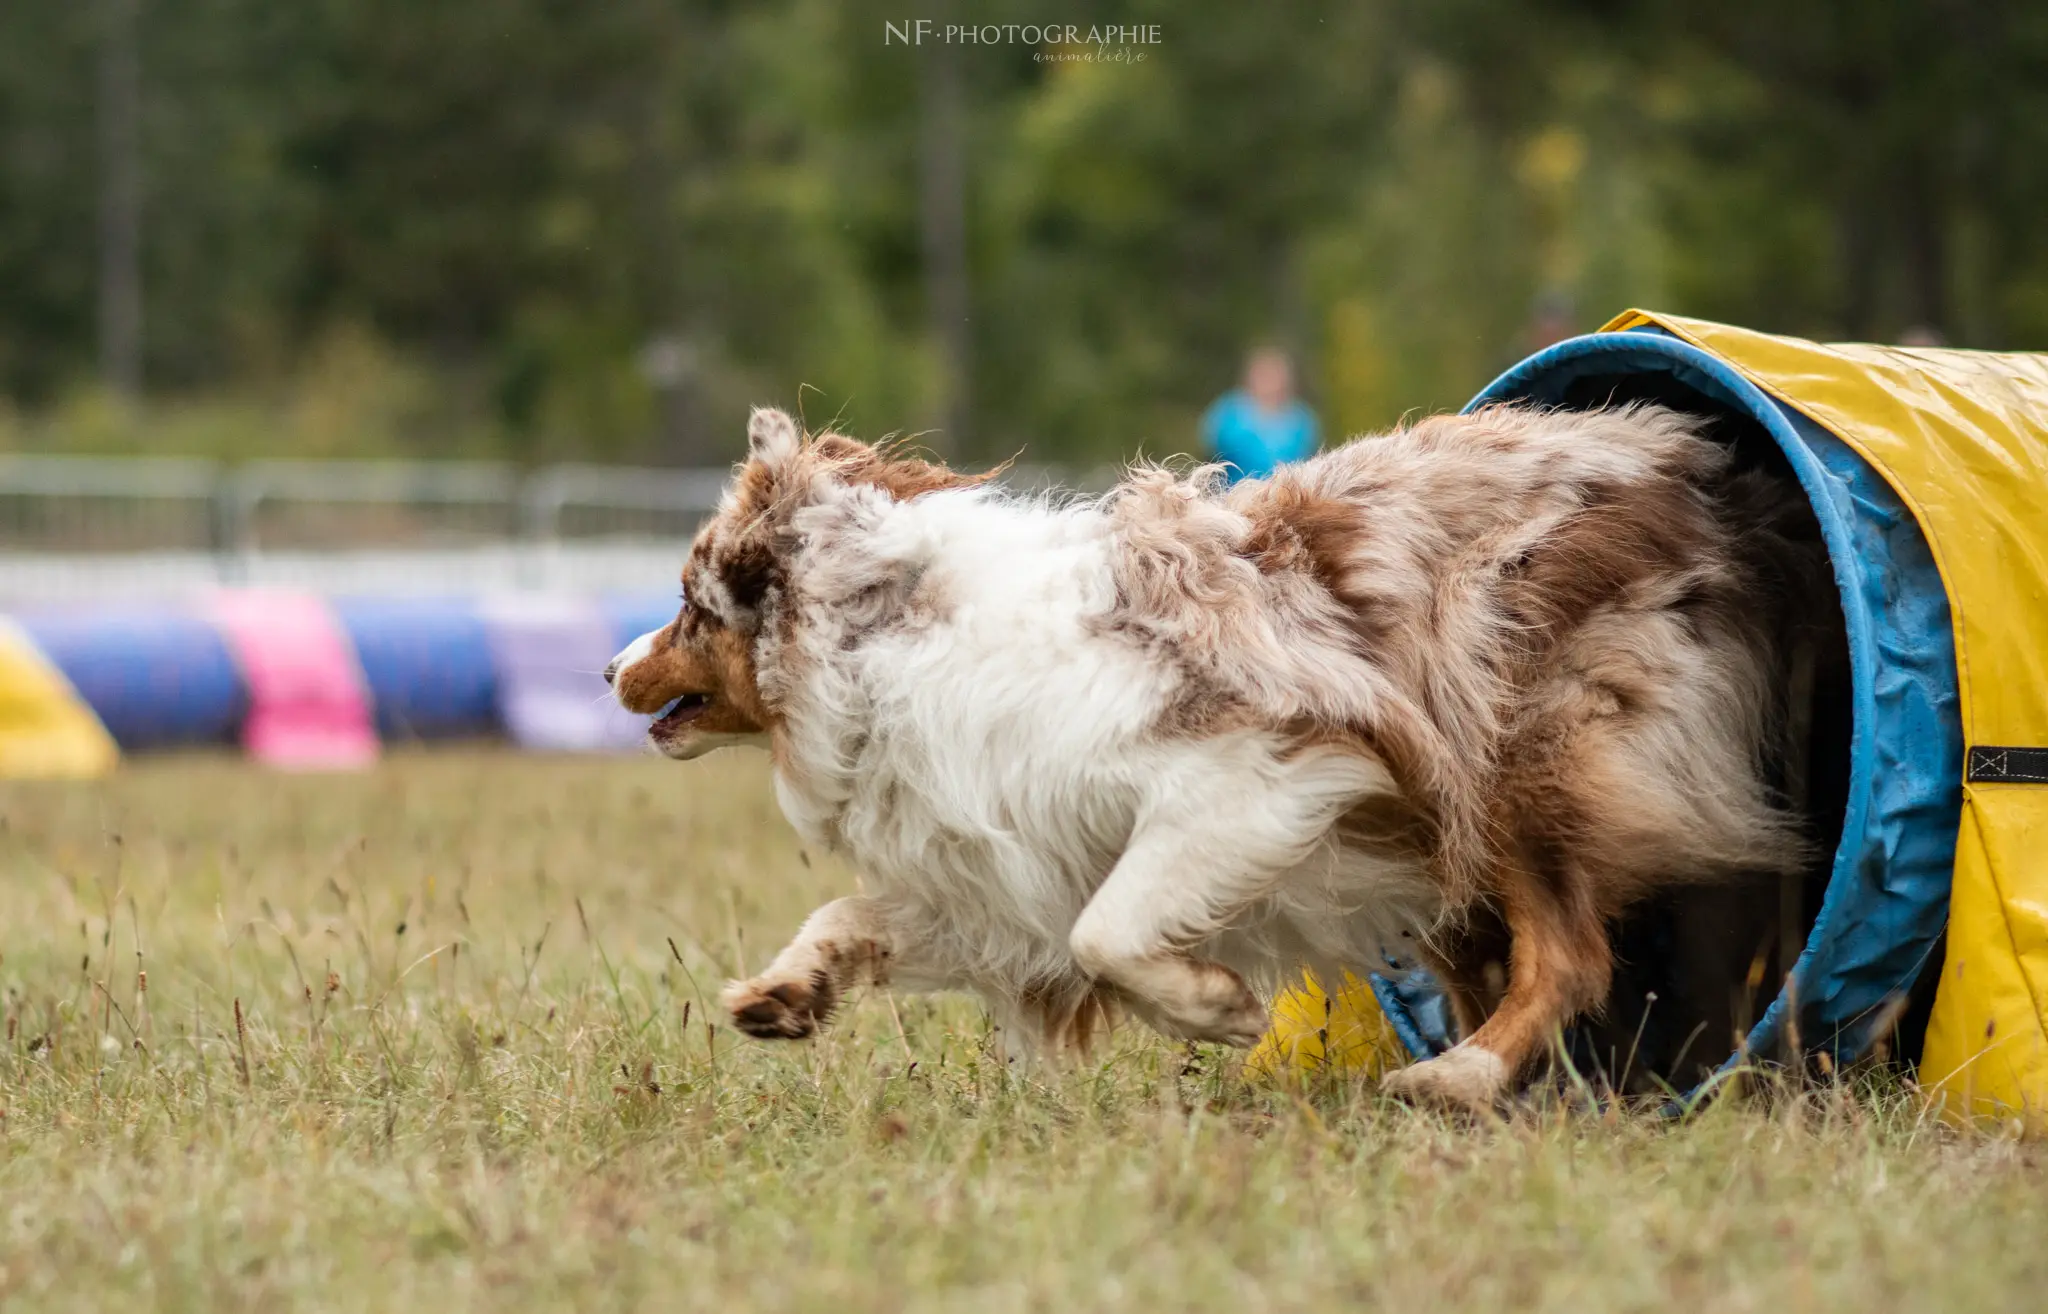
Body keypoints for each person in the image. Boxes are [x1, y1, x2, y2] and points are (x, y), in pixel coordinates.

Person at [1199, 348, 1318, 482]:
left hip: (1285, 497)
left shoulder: (1301, 418)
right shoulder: (1228, 413)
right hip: (1232, 494)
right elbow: (1209, 458)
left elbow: (1309, 461)